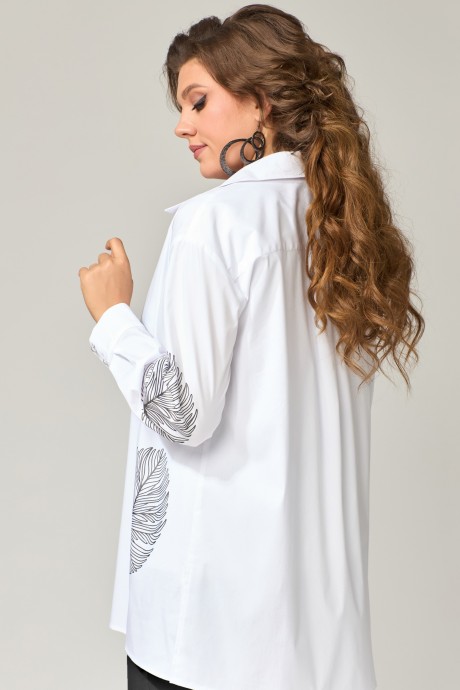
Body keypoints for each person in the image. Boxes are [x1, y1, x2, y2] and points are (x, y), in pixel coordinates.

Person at [78, 5, 424, 690]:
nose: (182, 126)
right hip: (319, 638)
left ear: (261, 100)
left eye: (198, 101)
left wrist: (113, 316)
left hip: (209, 635)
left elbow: (184, 415)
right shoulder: (344, 230)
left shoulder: (214, 224)